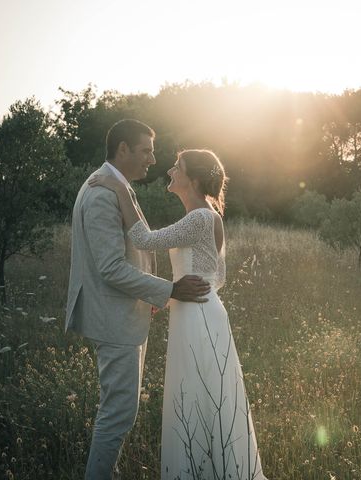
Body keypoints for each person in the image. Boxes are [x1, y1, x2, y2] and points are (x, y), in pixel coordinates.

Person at [89, 149, 267, 479]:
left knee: (198, 395)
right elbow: (219, 277)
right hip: (204, 313)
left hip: (197, 318)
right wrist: (173, 297)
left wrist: (118, 189)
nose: (170, 171)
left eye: (177, 167)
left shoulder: (199, 217)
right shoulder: (209, 215)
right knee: (206, 396)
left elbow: (143, 239)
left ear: (193, 179)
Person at [65, 119, 211, 480]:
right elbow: (111, 268)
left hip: (123, 313)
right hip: (113, 319)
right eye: (146, 150)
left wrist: (150, 295)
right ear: (124, 149)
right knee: (117, 415)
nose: (153, 159)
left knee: (119, 412)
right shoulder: (102, 193)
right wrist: (168, 290)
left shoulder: (115, 186)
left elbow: (138, 246)